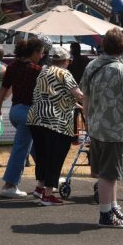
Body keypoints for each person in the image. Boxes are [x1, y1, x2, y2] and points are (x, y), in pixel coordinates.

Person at [80, 27, 123, 229]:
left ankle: (113, 208)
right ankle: (106, 214)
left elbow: (85, 96)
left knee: (108, 172)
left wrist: (88, 120)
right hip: (115, 128)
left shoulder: (92, 65)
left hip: (96, 126)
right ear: (122, 47)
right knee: (109, 173)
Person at [27, 45, 83, 205]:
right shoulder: (64, 73)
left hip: (36, 118)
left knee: (42, 155)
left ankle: (39, 188)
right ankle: (48, 194)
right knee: (55, 157)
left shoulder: (43, 71)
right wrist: (90, 102)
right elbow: (77, 94)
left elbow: (52, 95)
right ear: (66, 61)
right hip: (55, 121)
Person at [0, 36, 44, 197]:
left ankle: (47, 179)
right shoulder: (37, 70)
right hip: (29, 114)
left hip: (15, 112)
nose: (41, 56)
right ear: (34, 52)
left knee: (36, 147)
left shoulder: (12, 67)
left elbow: (4, 89)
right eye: (41, 53)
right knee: (21, 149)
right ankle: (10, 185)